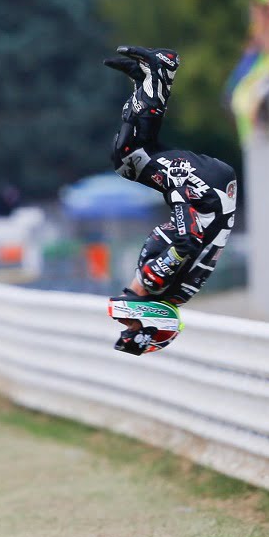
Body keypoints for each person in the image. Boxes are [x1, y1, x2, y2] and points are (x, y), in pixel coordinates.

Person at [103, 46, 238, 355]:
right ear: (150, 321)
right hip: (206, 195)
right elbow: (187, 241)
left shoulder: (165, 289)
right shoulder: (158, 284)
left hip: (207, 195)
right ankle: (161, 70)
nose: (126, 322)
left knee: (130, 156)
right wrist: (179, 195)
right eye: (131, 326)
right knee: (129, 158)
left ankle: (148, 81)